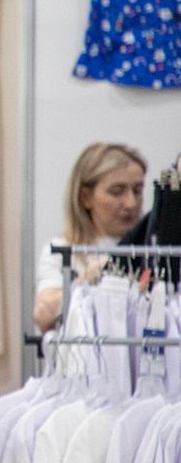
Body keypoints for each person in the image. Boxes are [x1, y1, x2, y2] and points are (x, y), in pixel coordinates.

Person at [33, 143, 146, 333]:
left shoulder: (155, 251)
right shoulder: (62, 250)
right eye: (117, 191)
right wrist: (89, 278)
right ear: (85, 197)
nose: (131, 203)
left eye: (137, 190)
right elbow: (43, 316)